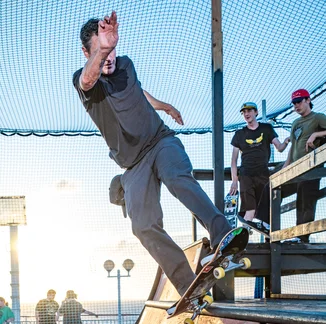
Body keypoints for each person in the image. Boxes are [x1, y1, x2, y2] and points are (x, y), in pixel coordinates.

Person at [73, 11, 244, 297]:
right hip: (134, 164)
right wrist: (101, 51)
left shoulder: (126, 65)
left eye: (112, 49)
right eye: (102, 52)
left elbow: (139, 93)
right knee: (142, 226)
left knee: (177, 178)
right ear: (87, 52)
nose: (110, 57)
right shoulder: (86, 81)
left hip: (161, 141)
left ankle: (222, 233)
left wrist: (165, 107)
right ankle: (188, 285)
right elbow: (88, 80)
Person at [252, 89, 326, 241]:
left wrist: (316, 134)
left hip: (311, 167)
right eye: (294, 104)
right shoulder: (295, 123)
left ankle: (302, 237)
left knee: (305, 200)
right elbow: (293, 146)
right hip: (294, 167)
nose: (296, 106)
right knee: (272, 185)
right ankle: (266, 223)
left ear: (308, 100)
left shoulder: (318, 118)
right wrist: (286, 166)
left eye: (299, 102)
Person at [230, 102, 289, 223]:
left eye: (249, 111)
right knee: (249, 210)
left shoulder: (266, 129)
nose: (246, 114)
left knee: (266, 209)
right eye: (244, 112)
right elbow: (233, 159)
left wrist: (287, 141)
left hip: (263, 174)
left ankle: (269, 235)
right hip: (246, 174)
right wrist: (234, 180)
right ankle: (242, 236)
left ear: (256, 112)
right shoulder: (239, 134)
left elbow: (280, 147)